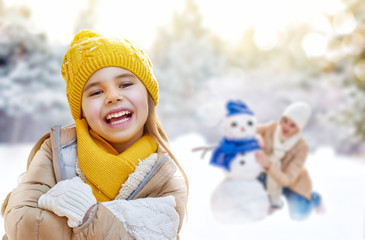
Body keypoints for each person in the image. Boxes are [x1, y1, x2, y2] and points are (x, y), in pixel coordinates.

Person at [1, 29, 188, 239]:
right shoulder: (57, 153)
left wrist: (87, 216)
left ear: (148, 94)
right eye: (96, 92)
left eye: (125, 84)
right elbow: (24, 226)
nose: (113, 96)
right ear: (81, 110)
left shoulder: (165, 177)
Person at [255, 102, 322, 220]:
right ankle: (272, 200)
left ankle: (315, 199)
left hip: (291, 184)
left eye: (292, 125)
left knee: (299, 215)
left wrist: (269, 165)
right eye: (285, 121)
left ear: (299, 128)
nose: (286, 127)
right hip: (266, 177)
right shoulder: (271, 127)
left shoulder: (302, 147)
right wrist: (258, 137)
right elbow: (251, 130)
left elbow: (287, 179)